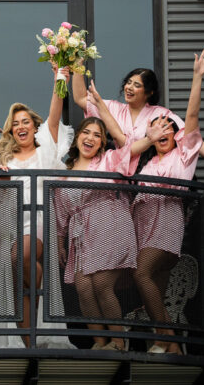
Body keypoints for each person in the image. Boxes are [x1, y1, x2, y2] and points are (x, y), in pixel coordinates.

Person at [102, 50, 204, 354]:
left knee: (141, 273)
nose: (164, 131)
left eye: (169, 129)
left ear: (178, 136)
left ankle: (169, 338)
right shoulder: (148, 164)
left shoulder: (184, 154)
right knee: (152, 285)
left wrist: (197, 77)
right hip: (143, 223)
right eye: (159, 128)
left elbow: (191, 118)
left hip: (165, 222)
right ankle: (166, 343)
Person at [53, 104, 161, 351]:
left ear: (102, 144)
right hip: (80, 233)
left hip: (109, 222)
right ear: (77, 137)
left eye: (97, 136)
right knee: (83, 287)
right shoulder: (63, 174)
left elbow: (129, 151)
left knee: (101, 284)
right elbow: (60, 212)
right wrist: (60, 242)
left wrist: (149, 139)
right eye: (86, 133)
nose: (90, 138)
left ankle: (118, 341)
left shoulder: (108, 160)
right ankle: (101, 343)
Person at [0, 66, 74, 348]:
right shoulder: (5, 157)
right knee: (24, 280)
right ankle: (28, 344)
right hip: (12, 223)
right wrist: (2, 178)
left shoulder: (45, 149)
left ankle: (31, 333)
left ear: (34, 126)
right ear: (10, 130)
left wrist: (60, 78)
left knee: (22, 258)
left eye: (25, 122)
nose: (21, 127)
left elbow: (55, 116)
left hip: (39, 223)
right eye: (15, 124)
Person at [72, 65, 204, 177]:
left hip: (146, 176)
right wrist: (77, 63)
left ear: (149, 92)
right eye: (128, 83)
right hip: (119, 174)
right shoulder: (113, 108)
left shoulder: (160, 114)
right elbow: (80, 98)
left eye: (136, 85)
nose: (129, 87)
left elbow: (187, 135)